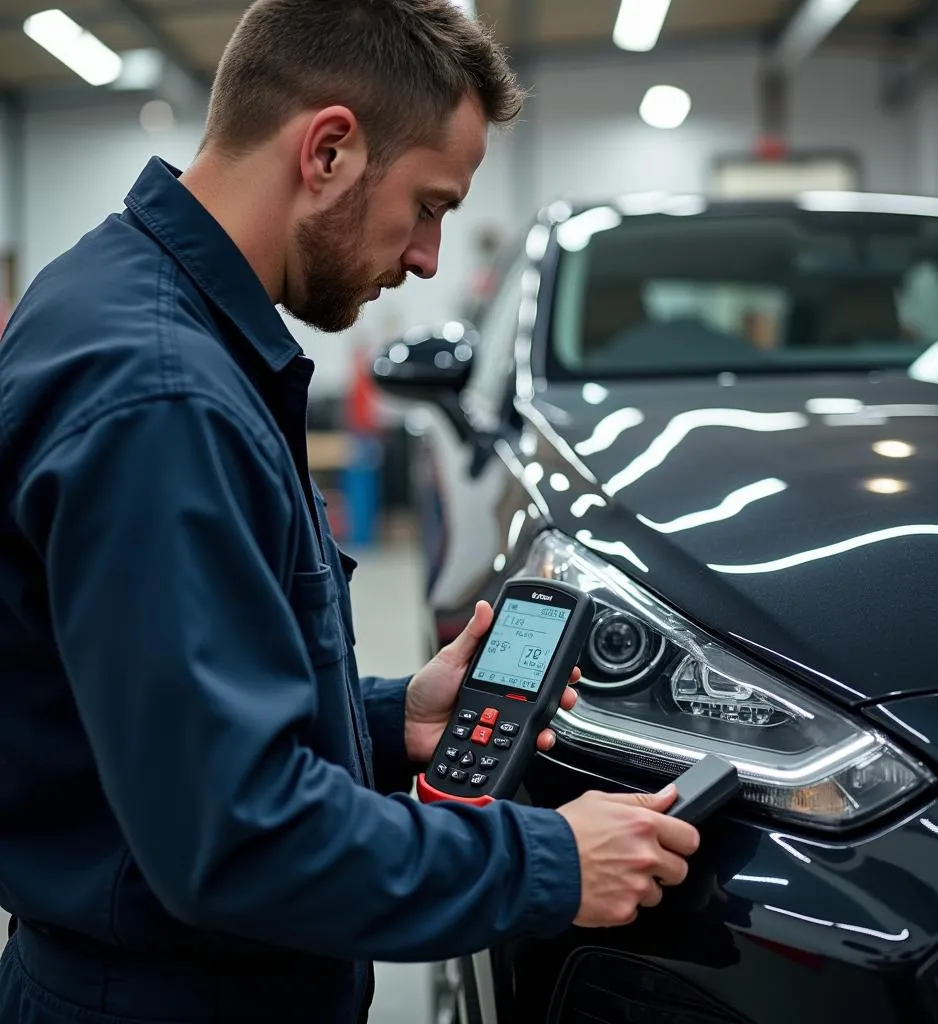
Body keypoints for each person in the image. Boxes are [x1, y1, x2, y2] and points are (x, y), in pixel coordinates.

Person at [0, 2, 701, 1021]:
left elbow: (148, 719)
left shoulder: (124, 303)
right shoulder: (163, 399)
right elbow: (237, 836)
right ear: (327, 149)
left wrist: (382, 720)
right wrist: (548, 859)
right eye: (426, 206)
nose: (425, 258)